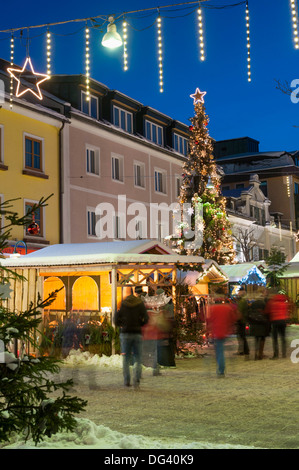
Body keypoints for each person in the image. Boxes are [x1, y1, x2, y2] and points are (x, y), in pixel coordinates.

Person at [114, 287, 149, 388]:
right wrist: (140, 324)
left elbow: (116, 318)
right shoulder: (139, 303)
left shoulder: (123, 304)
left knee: (126, 358)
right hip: (137, 333)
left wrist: (122, 325)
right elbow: (146, 318)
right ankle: (136, 379)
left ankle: (126, 380)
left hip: (125, 333)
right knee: (138, 357)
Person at [206, 296, 238, 377]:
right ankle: (221, 368)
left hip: (216, 332)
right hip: (225, 331)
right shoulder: (228, 308)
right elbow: (233, 318)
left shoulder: (212, 308)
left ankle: (221, 369)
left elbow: (209, 320)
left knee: (219, 351)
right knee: (221, 350)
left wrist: (208, 331)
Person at [265, 291, 292, 359]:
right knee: (283, 338)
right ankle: (284, 353)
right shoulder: (284, 303)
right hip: (283, 321)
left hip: (275, 321)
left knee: (275, 338)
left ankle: (276, 354)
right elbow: (288, 309)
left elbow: (267, 311)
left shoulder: (272, 302)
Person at [248, 295, 270, 360]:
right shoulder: (264, 304)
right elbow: (267, 313)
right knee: (262, 339)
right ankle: (260, 354)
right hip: (262, 324)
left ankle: (256, 354)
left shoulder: (253, 304)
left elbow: (249, 313)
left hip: (254, 324)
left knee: (256, 339)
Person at [235, 287, 250, 358]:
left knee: (241, 336)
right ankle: (245, 350)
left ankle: (243, 351)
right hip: (243, 320)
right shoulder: (244, 300)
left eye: (239, 292)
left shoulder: (242, 301)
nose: (238, 293)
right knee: (242, 336)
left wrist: (237, 319)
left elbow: (240, 312)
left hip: (241, 321)